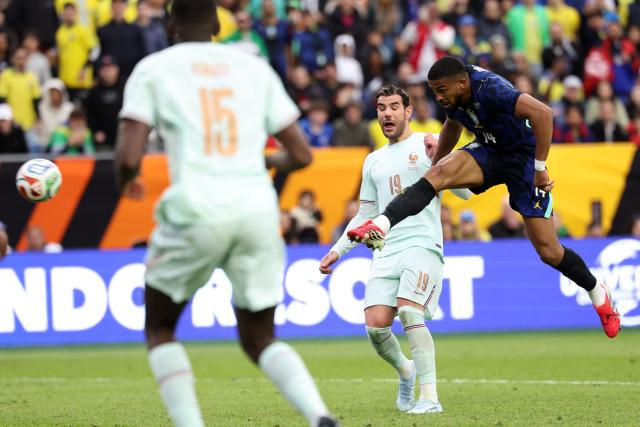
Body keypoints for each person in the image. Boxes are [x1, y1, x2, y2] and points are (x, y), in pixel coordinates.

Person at [114, 1, 337, 426]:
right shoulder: (253, 68)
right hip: (256, 211)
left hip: (196, 210)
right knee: (259, 336)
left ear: (170, 23)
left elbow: (128, 155)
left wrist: (127, 181)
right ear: (219, 24)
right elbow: (302, 153)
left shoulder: (154, 68)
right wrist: (260, 163)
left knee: (160, 327)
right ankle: (318, 415)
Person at [347, 57, 620, 339]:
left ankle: (597, 291)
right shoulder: (454, 96)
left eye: (441, 90)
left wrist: (540, 167)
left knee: (549, 251)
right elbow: (452, 127)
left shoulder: (491, 89)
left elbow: (543, 114)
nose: (438, 97)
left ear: (462, 83)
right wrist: (435, 165)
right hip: (489, 151)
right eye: (434, 91)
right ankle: (381, 224)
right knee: (435, 176)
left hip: (523, 160)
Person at [320, 85, 472, 415]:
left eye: (393, 107)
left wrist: (441, 158)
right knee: (375, 327)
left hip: (422, 243)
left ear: (408, 112)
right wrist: (338, 250)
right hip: (386, 250)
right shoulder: (372, 160)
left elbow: (465, 194)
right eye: (380, 108)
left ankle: (430, 398)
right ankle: (406, 370)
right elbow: (365, 215)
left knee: (409, 311)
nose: (386, 113)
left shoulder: (429, 142)